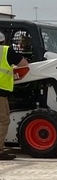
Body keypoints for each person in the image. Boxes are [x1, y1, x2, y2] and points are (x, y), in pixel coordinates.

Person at [0, 31, 29, 160]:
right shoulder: (6, 51)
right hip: (0, 93)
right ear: (3, 41)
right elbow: (24, 64)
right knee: (2, 121)